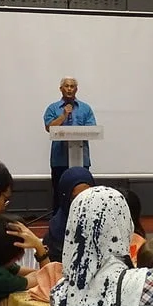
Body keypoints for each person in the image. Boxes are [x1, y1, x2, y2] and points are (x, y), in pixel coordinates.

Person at [43, 76, 97, 209]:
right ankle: (58, 223)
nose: (69, 89)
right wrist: (63, 115)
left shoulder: (85, 108)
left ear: (76, 89)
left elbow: (92, 129)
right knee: (59, 194)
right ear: (61, 89)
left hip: (81, 159)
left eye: (72, 86)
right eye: (66, 86)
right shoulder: (53, 108)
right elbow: (49, 128)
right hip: (60, 160)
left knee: (83, 194)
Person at [43, 167, 95, 263]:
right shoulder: (55, 236)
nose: (83, 203)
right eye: (76, 198)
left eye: (88, 195)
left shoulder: (104, 225)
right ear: (65, 199)